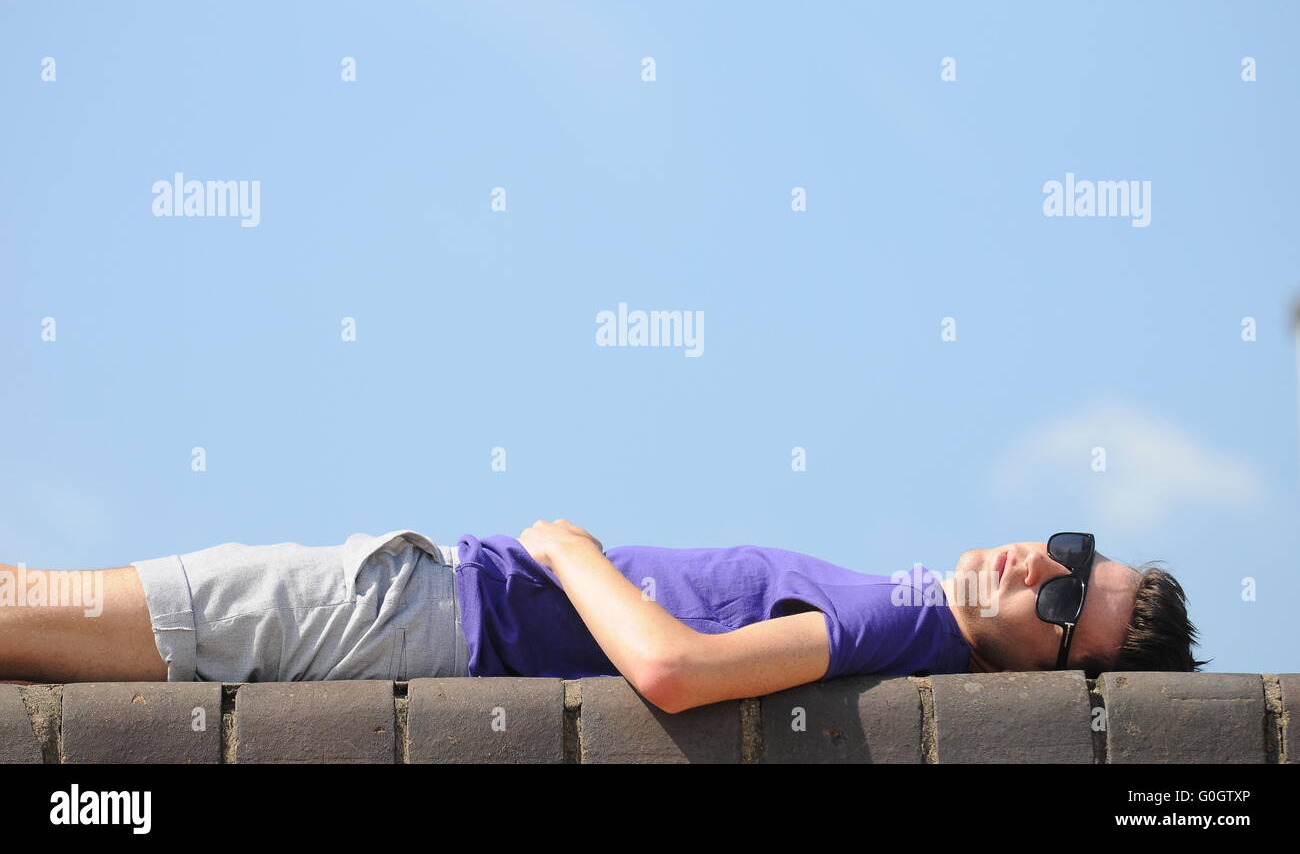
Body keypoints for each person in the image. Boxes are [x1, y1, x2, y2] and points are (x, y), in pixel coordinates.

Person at [0, 521, 1206, 713]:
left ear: (1041, 677)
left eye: (1060, 599)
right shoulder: (901, 608)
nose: (1037, 566)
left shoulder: (897, 631)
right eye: (1071, 551)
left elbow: (674, 669)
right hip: (432, 614)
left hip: (435, 609)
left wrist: (568, 547)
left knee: (44, 607)